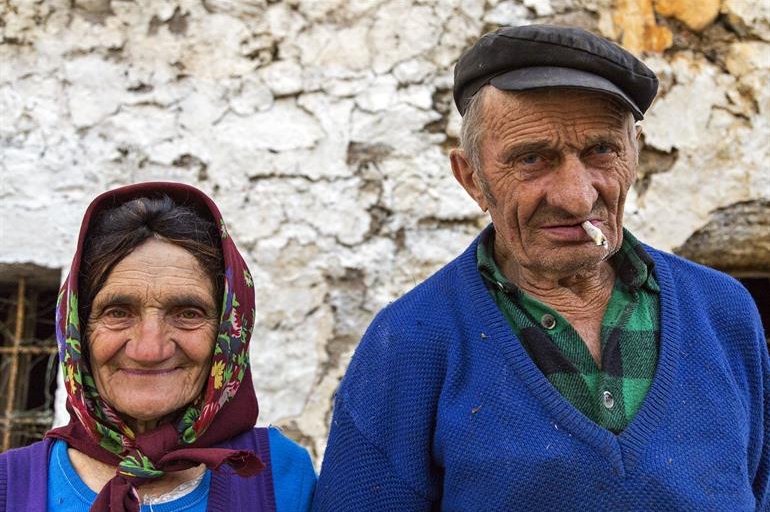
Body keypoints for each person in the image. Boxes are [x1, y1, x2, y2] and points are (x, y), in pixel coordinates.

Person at [313, 25, 769, 511]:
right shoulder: (410, 343)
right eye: (532, 159)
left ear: (635, 152)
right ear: (472, 178)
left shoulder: (723, 313)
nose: (577, 197)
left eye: (601, 150)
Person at [0, 182, 316, 512]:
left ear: (230, 333)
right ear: (77, 331)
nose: (149, 351)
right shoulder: (9, 487)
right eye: (118, 313)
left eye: (188, 314)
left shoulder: (279, 476)